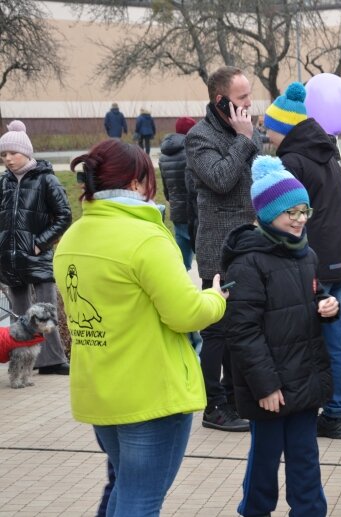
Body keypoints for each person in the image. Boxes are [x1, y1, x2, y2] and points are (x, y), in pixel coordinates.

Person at [53, 138, 227, 515]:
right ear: (135, 183)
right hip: (151, 395)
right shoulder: (145, 237)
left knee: (124, 488)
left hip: (100, 390)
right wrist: (216, 299)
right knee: (141, 499)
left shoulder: (71, 238)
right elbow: (185, 314)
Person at [222, 156, 336, 517]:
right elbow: (243, 331)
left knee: (305, 455)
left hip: (303, 377)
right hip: (269, 386)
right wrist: (266, 386)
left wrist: (326, 305)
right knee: (265, 458)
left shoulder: (306, 255)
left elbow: (310, 297)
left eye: (305, 211)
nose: (301, 219)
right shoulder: (248, 261)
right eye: (292, 212)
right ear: (269, 212)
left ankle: (309, 510)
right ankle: (255, 510)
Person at [263, 82, 341, 440]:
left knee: (300, 338)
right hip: (339, 261)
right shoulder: (329, 154)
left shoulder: (291, 162)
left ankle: (311, 408)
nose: (264, 130)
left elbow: (281, 215)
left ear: (283, 127)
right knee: (336, 340)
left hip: (308, 262)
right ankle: (336, 412)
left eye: (269, 125)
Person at [186, 65, 266, 432]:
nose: (250, 102)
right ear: (221, 102)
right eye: (242, 98)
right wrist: (244, 139)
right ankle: (213, 405)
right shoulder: (199, 137)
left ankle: (237, 398)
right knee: (216, 329)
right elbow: (219, 179)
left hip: (249, 241)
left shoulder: (248, 130)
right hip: (218, 246)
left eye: (249, 95)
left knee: (242, 324)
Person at [0, 120, 72, 375]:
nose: (8, 159)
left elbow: (64, 215)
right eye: (4, 154)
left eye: (13, 153)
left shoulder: (46, 180)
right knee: (20, 314)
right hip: (11, 259)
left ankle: (53, 361)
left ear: (26, 153)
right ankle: (23, 362)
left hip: (38, 257)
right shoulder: (4, 183)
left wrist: (40, 244)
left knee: (46, 310)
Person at [160, 116, 197, 270]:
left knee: (181, 256)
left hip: (177, 210)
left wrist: (171, 199)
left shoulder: (163, 155)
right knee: (202, 253)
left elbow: (165, 187)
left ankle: (181, 284)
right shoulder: (191, 152)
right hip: (193, 209)